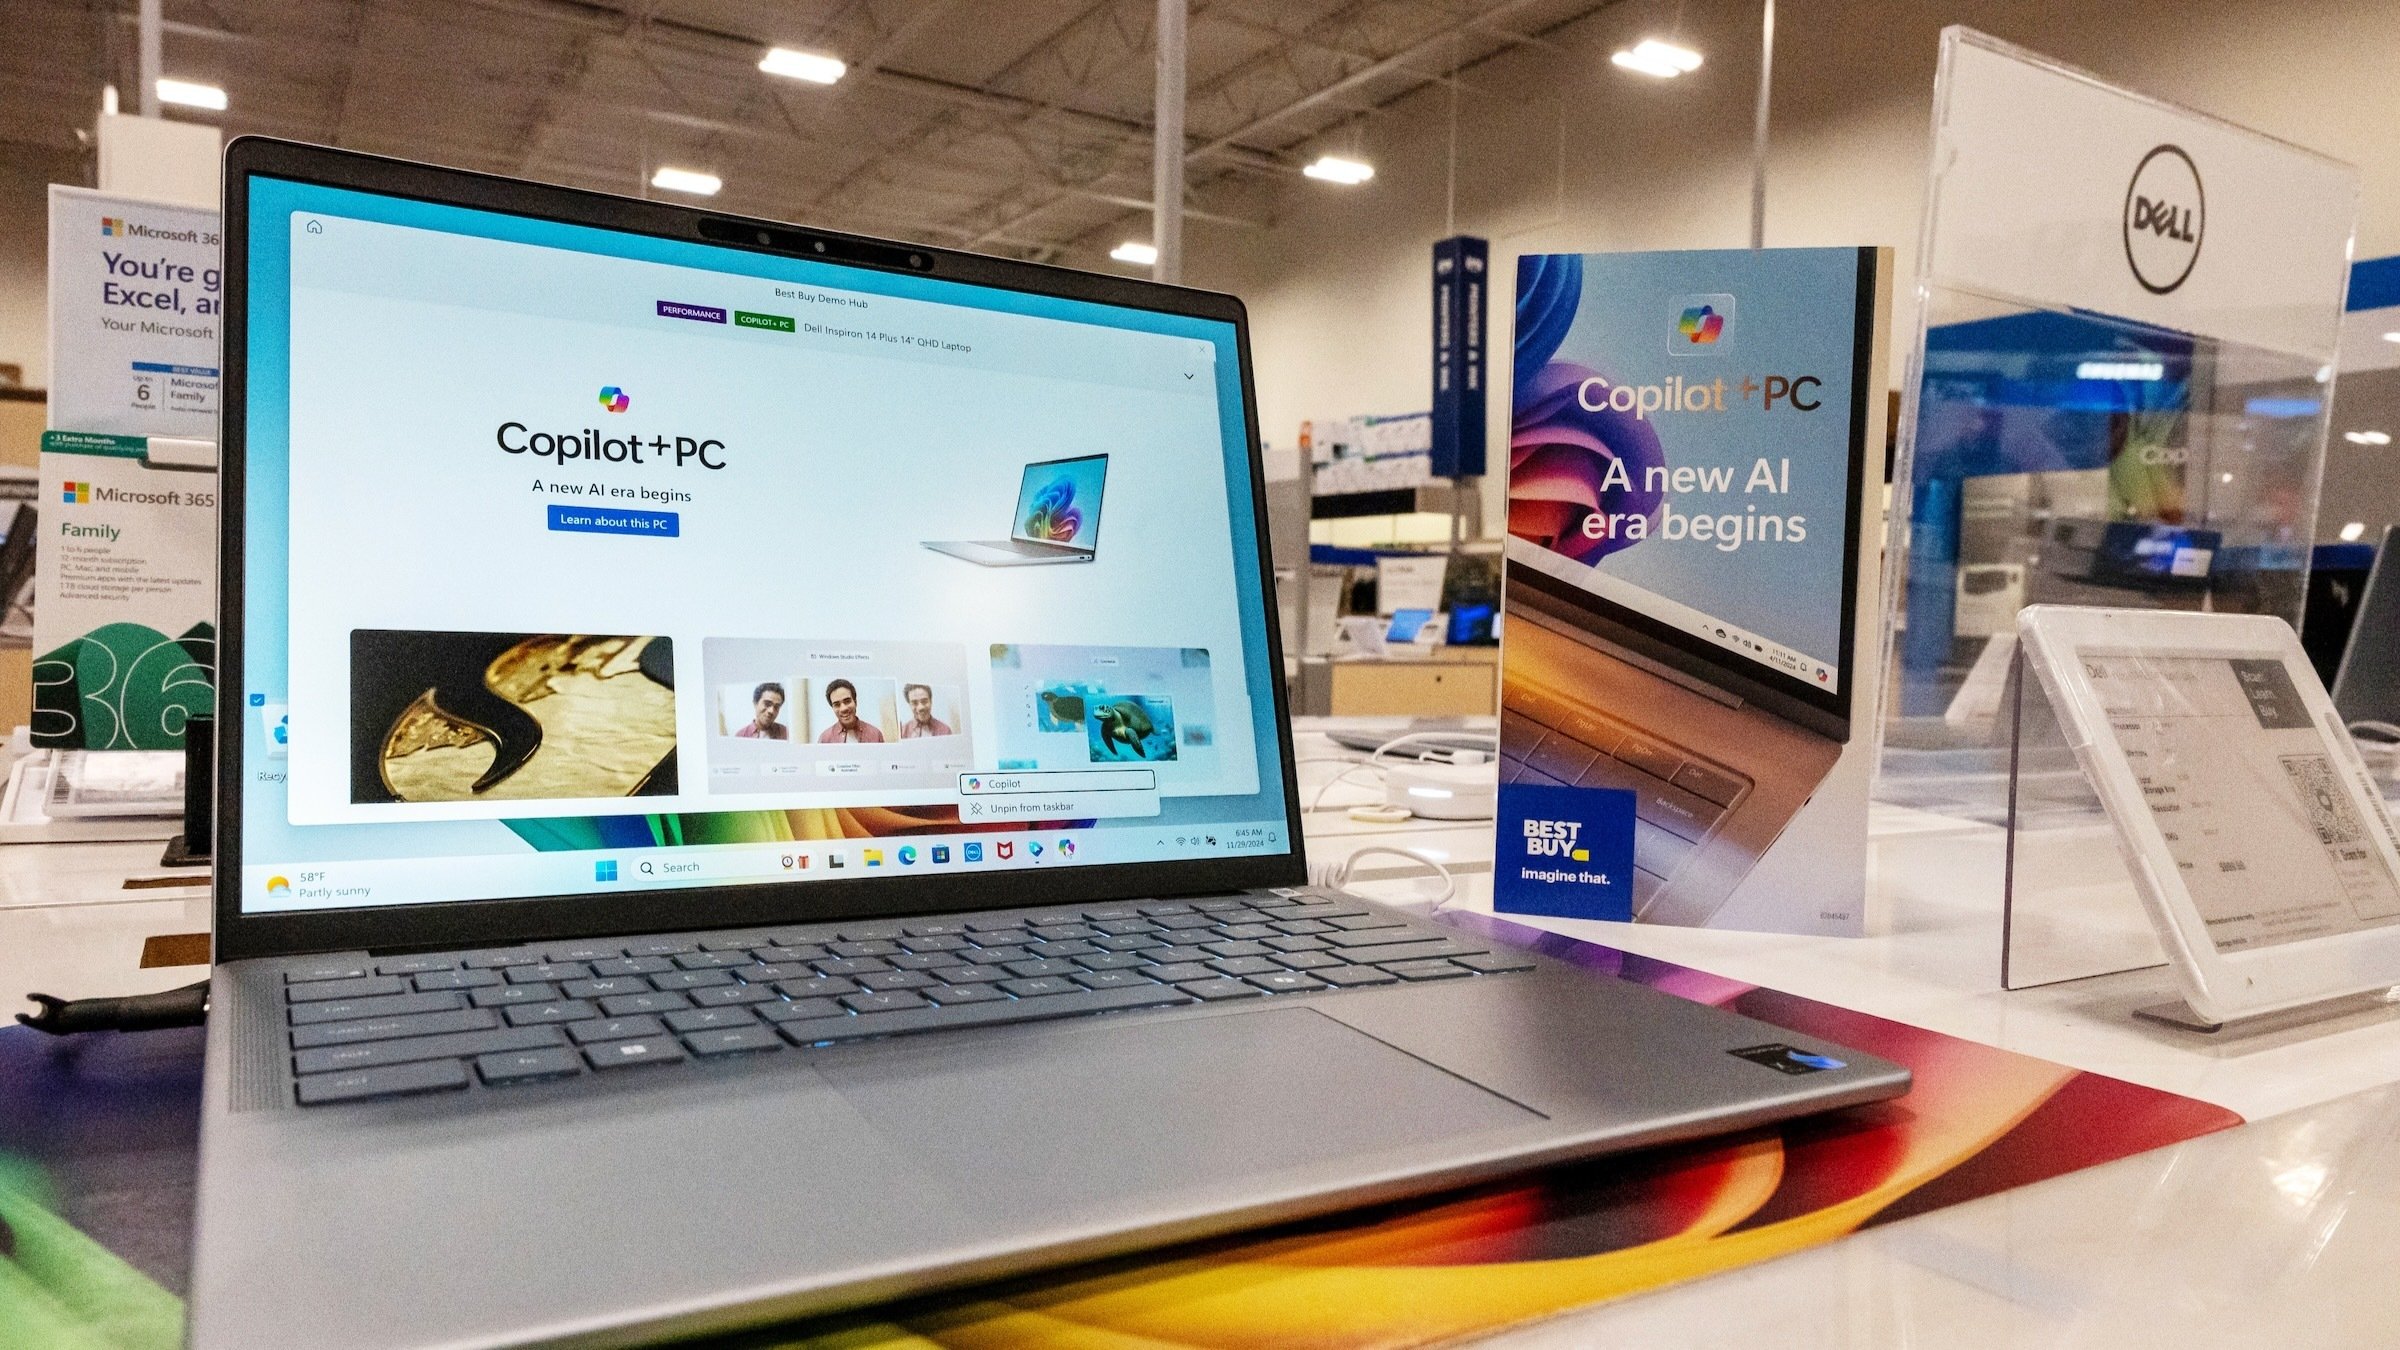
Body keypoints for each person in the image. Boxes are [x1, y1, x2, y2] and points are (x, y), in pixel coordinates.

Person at [818, 678, 884, 743]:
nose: (843, 709)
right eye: (837, 704)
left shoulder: (875, 735)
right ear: (832, 708)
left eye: (847, 701)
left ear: (855, 702)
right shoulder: (825, 739)